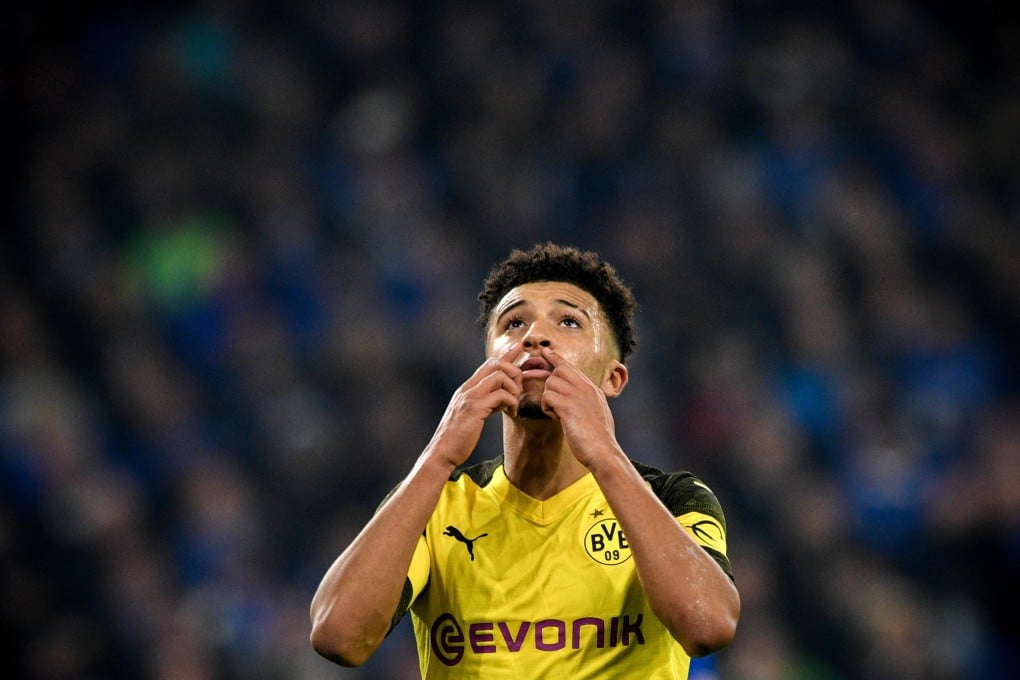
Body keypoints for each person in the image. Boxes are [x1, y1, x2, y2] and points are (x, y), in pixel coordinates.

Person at [310, 242, 740, 678]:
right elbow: (337, 635)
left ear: (613, 378)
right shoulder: (438, 503)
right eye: (514, 323)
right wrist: (438, 455)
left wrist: (607, 456)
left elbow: (708, 626)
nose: (534, 336)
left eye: (568, 320)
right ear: (488, 363)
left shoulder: (672, 499)